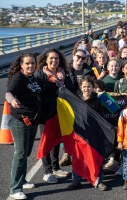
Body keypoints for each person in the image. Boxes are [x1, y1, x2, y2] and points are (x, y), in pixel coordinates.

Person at [34, 48, 75, 184]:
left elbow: (71, 91)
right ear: (46, 60)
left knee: (57, 140)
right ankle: (47, 171)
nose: (54, 61)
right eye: (51, 58)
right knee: (47, 140)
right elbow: (39, 96)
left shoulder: (64, 75)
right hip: (46, 114)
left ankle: (56, 167)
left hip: (61, 113)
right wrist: (54, 101)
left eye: (56, 58)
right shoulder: (40, 75)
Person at [6, 53, 42, 200]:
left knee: (26, 152)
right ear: (21, 65)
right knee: (20, 154)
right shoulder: (19, 78)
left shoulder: (32, 77)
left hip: (32, 121)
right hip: (20, 120)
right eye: (27, 63)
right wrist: (12, 101)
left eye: (33, 63)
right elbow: (9, 93)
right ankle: (14, 188)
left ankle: (22, 180)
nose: (30, 66)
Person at [67, 75, 107, 191]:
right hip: (79, 133)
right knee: (78, 157)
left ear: (93, 87)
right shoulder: (75, 100)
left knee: (95, 156)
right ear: (80, 87)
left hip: (94, 133)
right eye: (84, 87)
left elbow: (101, 118)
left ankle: (98, 179)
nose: (86, 89)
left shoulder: (98, 101)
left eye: (89, 86)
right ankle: (76, 180)